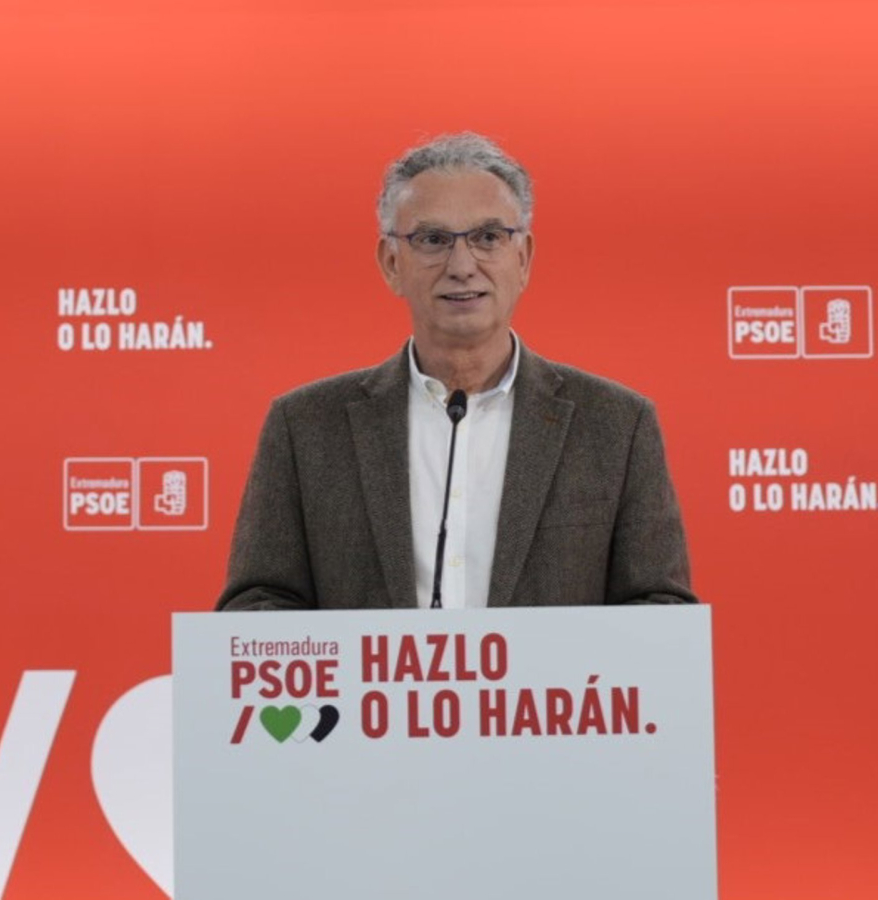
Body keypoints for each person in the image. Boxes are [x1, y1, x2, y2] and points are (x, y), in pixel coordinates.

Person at [216, 132, 696, 610]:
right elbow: (255, 606)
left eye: (488, 238)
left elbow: (662, 611)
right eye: (433, 240)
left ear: (523, 258)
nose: (462, 266)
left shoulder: (616, 425)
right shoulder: (305, 427)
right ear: (391, 263)